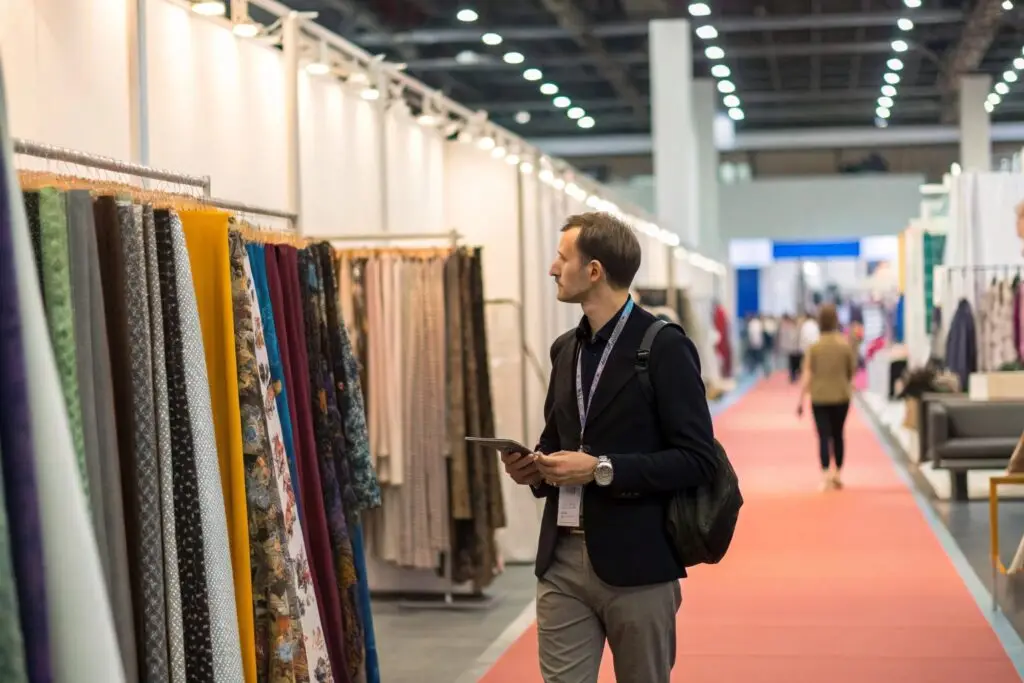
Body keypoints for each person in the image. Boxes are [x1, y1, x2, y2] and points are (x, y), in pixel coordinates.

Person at [500, 212, 718, 683]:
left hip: (638, 563)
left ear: (594, 270)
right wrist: (533, 467)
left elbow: (698, 459)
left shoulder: (663, 348)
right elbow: (555, 442)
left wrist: (601, 469)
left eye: (562, 258)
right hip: (560, 562)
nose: (553, 268)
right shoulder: (565, 350)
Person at [797, 304, 857, 491]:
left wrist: (800, 400)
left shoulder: (814, 348)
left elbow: (807, 374)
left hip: (820, 397)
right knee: (838, 434)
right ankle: (837, 473)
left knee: (823, 436)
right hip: (841, 397)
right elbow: (851, 371)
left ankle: (825, 474)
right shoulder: (845, 345)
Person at [777, 314, 801, 383]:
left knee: (795, 364)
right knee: (792, 364)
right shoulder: (789, 328)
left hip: (796, 350)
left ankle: (794, 375)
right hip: (792, 350)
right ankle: (792, 376)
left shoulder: (797, 329)